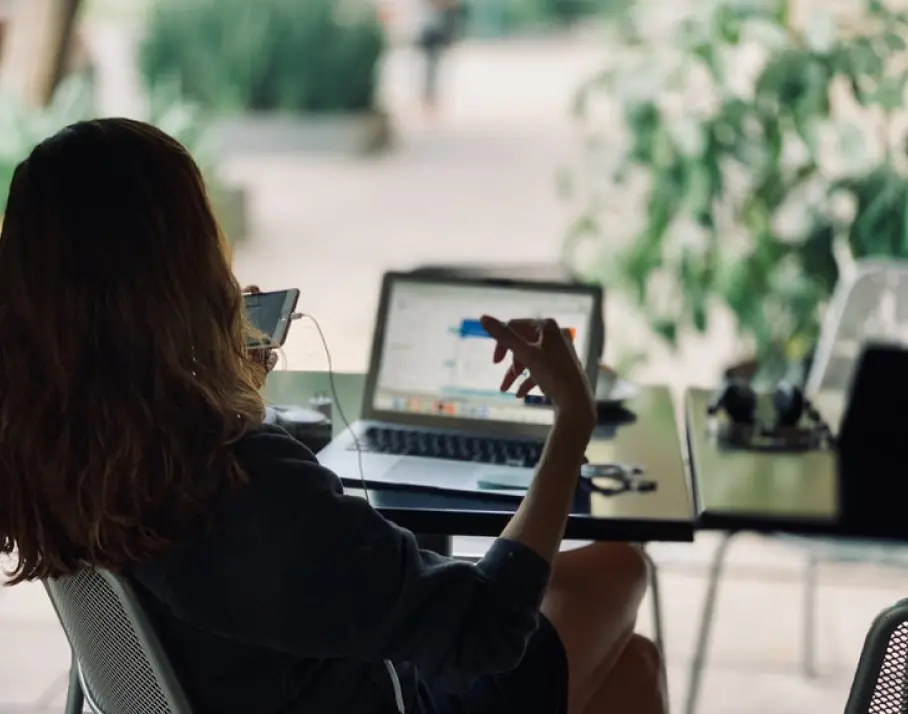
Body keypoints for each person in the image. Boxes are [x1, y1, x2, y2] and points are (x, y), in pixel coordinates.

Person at [0, 118, 665, 714]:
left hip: (260, 682)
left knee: (633, 668)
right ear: (183, 274)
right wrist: (570, 426)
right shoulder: (236, 483)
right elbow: (482, 632)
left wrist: (223, 394)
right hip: (381, 697)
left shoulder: (50, 449)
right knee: (619, 565)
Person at [417, 0, 460, 118]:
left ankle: (431, 100)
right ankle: (428, 100)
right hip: (429, 32)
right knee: (430, 68)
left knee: (433, 68)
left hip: (436, 32)